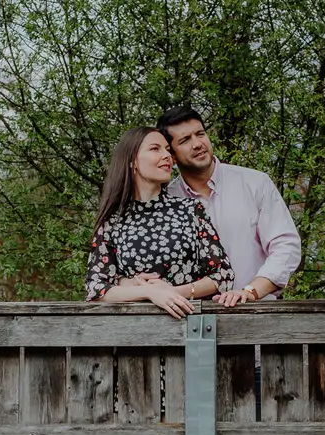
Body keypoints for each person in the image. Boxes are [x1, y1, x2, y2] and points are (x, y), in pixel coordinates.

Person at [157, 104, 300, 306]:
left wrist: (252, 290)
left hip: (257, 313)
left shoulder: (255, 183)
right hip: (189, 319)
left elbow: (286, 245)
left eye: (200, 134)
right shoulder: (166, 201)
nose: (198, 143)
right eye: (185, 140)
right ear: (171, 155)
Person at [85, 126, 233, 318]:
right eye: (155, 149)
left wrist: (175, 292)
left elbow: (223, 275)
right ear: (132, 162)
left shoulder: (190, 210)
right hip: (132, 336)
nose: (167, 156)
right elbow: (96, 288)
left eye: (167, 150)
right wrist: (149, 292)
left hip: (188, 328)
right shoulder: (113, 221)